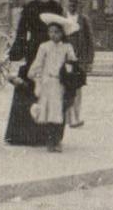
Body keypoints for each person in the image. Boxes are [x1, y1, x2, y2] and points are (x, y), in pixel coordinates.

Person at [5, 0, 64, 145]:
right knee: (29, 89)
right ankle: (23, 135)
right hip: (34, 52)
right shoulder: (29, 8)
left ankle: (48, 136)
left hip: (53, 51)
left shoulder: (57, 8)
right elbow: (22, 32)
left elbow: (63, 30)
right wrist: (18, 50)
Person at [27, 16, 78, 152]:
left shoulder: (67, 47)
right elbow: (38, 63)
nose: (53, 35)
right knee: (48, 111)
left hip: (61, 83)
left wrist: (70, 72)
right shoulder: (44, 47)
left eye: (57, 32)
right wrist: (33, 74)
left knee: (59, 111)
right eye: (51, 32)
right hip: (47, 82)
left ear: (62, 33)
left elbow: (73, 63)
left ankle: (58, 140)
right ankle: (50, 141)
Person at [64, 0, 95, 128]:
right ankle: (66, 117)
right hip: (64, 59)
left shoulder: (83, 20)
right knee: (64, 87)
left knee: (77, 89)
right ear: (67, 3)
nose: (73, 5)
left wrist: (89, 60)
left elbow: (90, 41)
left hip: (79, 59)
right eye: (70, 2)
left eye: (75, 3)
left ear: (79, 5)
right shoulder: (62, 18)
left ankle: (76, 117)